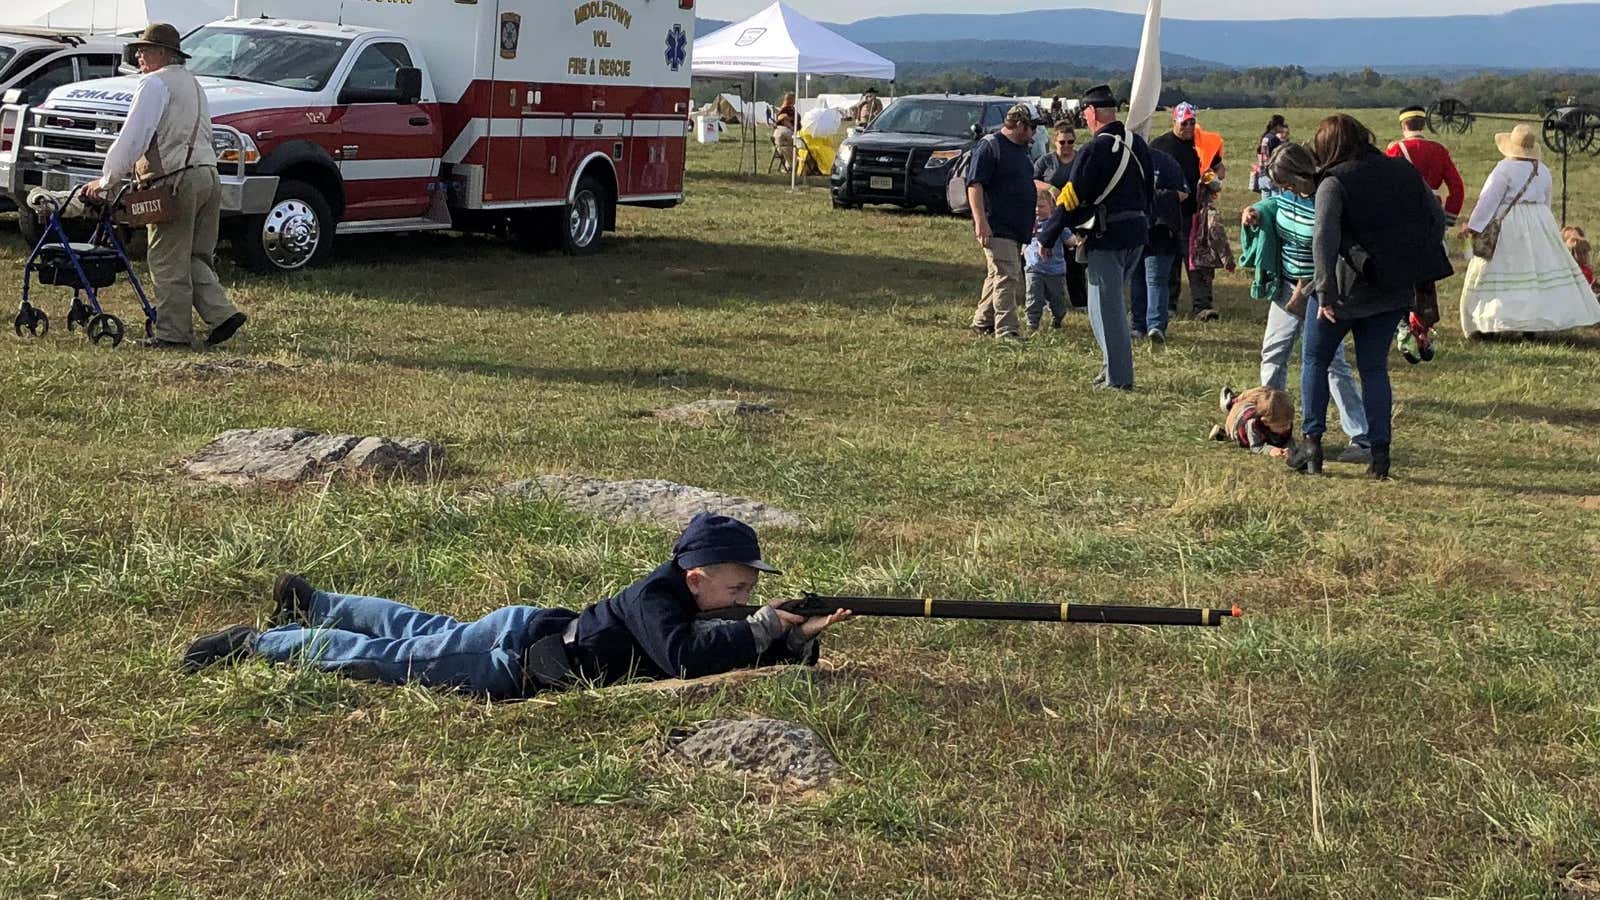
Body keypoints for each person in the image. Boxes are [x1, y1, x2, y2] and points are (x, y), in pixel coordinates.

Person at [180, 513, 852, 698]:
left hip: (531, 629)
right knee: (393, 658)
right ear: (697, 577)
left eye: (753, 592)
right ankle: (258, 644)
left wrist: (792, 639)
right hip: (515, 662)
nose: (748, 599)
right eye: (738, 589)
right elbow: (682, 658)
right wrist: (762, 630)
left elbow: (733, 646)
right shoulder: (655, 598)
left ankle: (315, 601)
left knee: (420, 628)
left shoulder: (681, 593)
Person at [1291, 114, 1452, 480]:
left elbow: (1324, 239)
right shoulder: (1404, 172)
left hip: (1344, 293)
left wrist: (1325, 291)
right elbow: (1435, 217)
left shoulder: (1333, 182)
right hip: (1391, 289)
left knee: (1315, 362)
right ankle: (1380, 456)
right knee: (1374, 370)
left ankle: (1312, 445)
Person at [84, 23, 245, 350]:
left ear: (162, 54)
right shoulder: (194, 85)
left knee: (166, 259)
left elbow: (134, 138)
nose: (139, 55)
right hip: (208, 175)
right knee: (194, 256)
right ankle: (222, 314)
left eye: (144, 49)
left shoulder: (155, 84)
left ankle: (172, 334)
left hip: (176, 180)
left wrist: (106, 181)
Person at [1239, 143, 1370, 464]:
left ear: (1302, 173)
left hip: (1322, 292)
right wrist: (1253, 214)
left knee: (1332, 363)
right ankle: (1270, 427)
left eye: (1286, 182)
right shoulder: (1284, 195)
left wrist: (1310, 290)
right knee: (1273, 353)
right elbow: (1271, 206)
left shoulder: (1329, 198)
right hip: (1285, 290)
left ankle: (1361, 436)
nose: (1284, 189)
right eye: (1278, 184)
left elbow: (1336, 250)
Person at [1038, 84, 1155, 389]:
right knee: (1097, 307)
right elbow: (1150, 193)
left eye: (1085, 114)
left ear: (1091, 113)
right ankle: (1109, 367)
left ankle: (1118, 378)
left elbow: (1070, 198)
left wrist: (1047, 236)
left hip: (1107, 237)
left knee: (1108, 310)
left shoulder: (1095, 149)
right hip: (1137, 235)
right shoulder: (1139, 146)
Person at [1457, 124, 1600, 338]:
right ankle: (1530, 324)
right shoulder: (1542, 170)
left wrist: (1474, 226)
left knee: (1500, 270)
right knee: (1534, 273)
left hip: (1509, 223)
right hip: (1539, 222)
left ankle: (1492, 322)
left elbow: (1489, 200)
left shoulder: (1504, 169)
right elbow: (1546, 200)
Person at [967, 104, 1041, 341]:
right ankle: (1007, 330)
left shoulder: (1021, 150)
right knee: (1008, 275)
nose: (1035, 133)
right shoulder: (991, 147)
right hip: (996, 224)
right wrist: (980, 221)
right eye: (1033, 127)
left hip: (1016, 225)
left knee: (997, 274)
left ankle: (982, 322)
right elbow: (975, 185)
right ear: (1020, 125)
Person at [1151, 102, 1225, 322]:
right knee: (1169, 260)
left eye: (1192, 122)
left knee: (1198, 260)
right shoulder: (1159, 145)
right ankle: (1169, 305)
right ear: (1174, 121)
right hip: (1167, 213)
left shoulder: (1201, 143)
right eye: (1184, 123)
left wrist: (1213, 177)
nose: (1189, 127)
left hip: (1195, 212)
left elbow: (1219, 168)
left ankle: (1202, 307)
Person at [1129, 145, 1187, 342]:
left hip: (1160, 229)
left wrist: (1154, 196)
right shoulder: (1122, 160)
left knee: (1155, 278)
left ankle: (1155, 326)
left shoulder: (1164, 161)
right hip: (1135, 228)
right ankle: (1139, 326)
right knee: (1137, 278)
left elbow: (1183, 192)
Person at [1032, 120, 1088, 310]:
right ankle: (1049, 299)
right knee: (1048, 256)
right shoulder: (1045, 161)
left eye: (1070, 142)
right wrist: (1050, 188)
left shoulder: (1081, 159)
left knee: (1075, 258)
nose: (1066, 146)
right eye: (1062, 142)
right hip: (1051, 216)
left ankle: (1080, 300)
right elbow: (1032, 180)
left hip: (1076, 215)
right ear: (1055, 142)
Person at [1024, 185, 1067, 331]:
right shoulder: (1029, 225)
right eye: (1034, 207)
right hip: (1034, 268)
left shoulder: (1056, 226)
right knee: (1033, 297)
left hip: (1055, 270)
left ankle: (1057, 319)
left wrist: (1078, 242)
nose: (1037, 210)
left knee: (1057, 300)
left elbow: (1070, 239)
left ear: (1052, 208)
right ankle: (1032, 323)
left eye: (1041, 206)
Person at [1254, 115, 1288, 197]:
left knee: (1265, 204)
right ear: (1278, 126)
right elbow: (1278, 156)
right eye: (1282, 125)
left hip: (1262, 174)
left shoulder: (1265, 137)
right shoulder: (1274, 139)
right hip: (1271, 174)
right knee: (1275, 202)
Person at [773, 92, 798, 172]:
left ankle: (792, 166)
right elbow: (783, 119)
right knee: (796, 146)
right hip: (784, 142)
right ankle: (793, 166)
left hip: (786, 138)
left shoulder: (789, 108)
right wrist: (792, 128)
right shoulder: (785, 109)